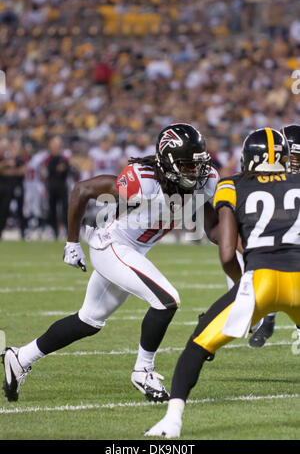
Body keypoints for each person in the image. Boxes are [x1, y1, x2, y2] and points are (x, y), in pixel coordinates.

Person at [2, 123, 220, 403]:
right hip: (113, 245)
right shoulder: (144, 180)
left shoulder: (203, 180)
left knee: (88, 321)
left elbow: (213, 228)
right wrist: (71, 244)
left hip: (132, 250)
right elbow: (82, 189)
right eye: (187, 165)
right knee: (167, 300)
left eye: (198, 164)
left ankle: (20, 358)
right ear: (167, 161)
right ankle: (143, 371)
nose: (195, 172)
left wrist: (242, 240)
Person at [145, 127, 300, 438]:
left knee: (198, 345)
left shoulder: (231, 185)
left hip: (261, 282)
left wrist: (241, 286)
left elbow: (227, 252)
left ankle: (172, 421)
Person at [248, 124, 300, 348]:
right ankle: (263, 320)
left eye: (298, 156)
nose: (295, 162)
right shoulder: (266, 178)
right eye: (293, 156)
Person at [43, 135, 71, 239]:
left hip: (62, 186)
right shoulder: (48, 159)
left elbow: (67, 169)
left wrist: (58, 169)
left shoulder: (63, 158)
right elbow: (47, 170)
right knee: (52, 210)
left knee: (65, 210)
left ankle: (68, 231)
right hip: (52, 186)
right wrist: (57, 169)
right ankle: (54, 231)